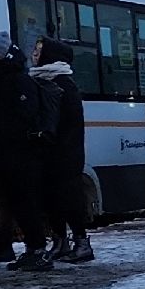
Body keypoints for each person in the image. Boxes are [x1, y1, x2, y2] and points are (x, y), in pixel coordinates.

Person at [0, 31, 55, 271]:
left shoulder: (15, 81)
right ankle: (34, 248)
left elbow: (21, 118)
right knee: (18, 203)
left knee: (25, 203)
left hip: (19, 154)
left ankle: (37, 249)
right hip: (12, 153)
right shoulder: (7, 77)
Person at [33, 37, 93, 263]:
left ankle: (80, 240)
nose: (35, 54)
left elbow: (66, 122)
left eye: (40, 51)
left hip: (64, 151)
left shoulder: (63, 85)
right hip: (51, 150)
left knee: (69, 196)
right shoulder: (42, 80)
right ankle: (60, 240)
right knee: (51, 198)